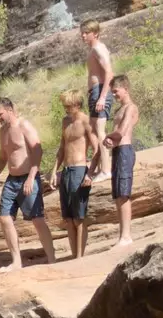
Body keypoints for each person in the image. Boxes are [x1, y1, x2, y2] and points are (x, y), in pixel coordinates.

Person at [0, 97, 56, 272]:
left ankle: (52, 258)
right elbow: (3, 157)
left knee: (37, 219)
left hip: (28, 178)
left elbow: (38, 150)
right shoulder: (3, 132)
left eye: (0, 115)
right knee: (4, 217)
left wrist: (32, 176)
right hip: (12, 179)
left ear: (9, 109)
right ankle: (16, 261)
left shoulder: (24, 125)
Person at [54, 90, 102, 260]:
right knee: (68, 218)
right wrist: (54, 171)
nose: (66, 109)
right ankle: (73, 255)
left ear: (77, 104)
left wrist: (90, 174)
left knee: (78, 218)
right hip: (66, 171)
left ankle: (80, 257)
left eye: (68, 106)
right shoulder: (65, 121)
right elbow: (62, 148)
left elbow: (97, 149)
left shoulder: (85, 121)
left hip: (80, 169)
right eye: (64, 106)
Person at [104, 73, 141, 249]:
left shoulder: (130, 108)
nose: (114, 95)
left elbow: (121, 131)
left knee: (124, 194)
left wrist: (106, 137)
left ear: (125, 89)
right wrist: (110, 140)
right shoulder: (119, 110)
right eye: (112, 92)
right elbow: (116, 134)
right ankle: (122, 236)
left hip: (125, 151)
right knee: (118, 195)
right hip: (118, 151)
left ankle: (126, 236)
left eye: (116, 91)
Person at [80, 20, 115, 154]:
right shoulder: (94, 49)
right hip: (95, 92)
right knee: (94, 131)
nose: (83, 35)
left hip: (100, 90)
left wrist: (102, 97)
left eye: (86, 33)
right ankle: (100, 167)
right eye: (82, 33)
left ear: (95, 33)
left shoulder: (98, 48)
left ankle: (105, 169)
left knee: (100, 131)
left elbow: (109, 73)